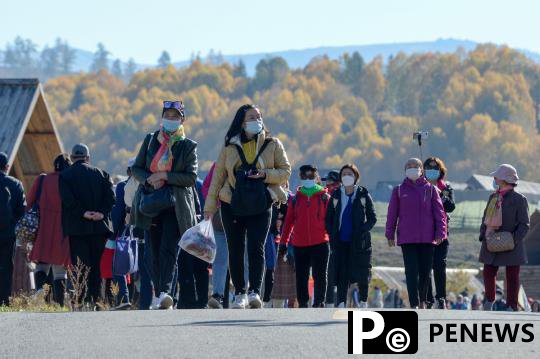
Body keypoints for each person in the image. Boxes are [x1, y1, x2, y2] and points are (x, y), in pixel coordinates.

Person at [204, 104, 291, 309]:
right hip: (231, 203)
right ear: (242, 123)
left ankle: (254, 292)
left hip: (262, 202)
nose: (256, 120)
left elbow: (286, 171)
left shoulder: (273, 144)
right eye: (251, 118)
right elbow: (218, 178)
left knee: (256, 247)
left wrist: (265, 174)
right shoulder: (229, 147)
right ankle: (240, 293)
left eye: (259, 117)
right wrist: (209, 206)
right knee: (235, 248)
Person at [131, 100, 198, 310]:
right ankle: (161, 291)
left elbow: (190, 177)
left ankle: (165, 293)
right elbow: (137, 168)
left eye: (175, 116)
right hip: (151, 203)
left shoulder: (188, 146)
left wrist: (165, 176)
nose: (171, 119)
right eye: (167, 115)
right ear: (162, 118)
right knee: (152, 252)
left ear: (182, 120)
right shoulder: (150, 140)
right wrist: (150, 179)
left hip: (175, 206)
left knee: (168, 250)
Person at [59, 144, 115, 306]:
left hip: (77, 228)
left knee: (81, 265)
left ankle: (81, 300)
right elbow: (111, 199)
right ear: (88, 158)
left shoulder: (65, 176)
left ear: (71, 158)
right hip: (99, 227)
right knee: (97, 265)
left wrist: (83, 212)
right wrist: (101, 213)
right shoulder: (102, 174)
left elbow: (67, 200)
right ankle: (96, 299)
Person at [385, 158, 446, 309]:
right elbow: (392, 214)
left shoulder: (431, 189)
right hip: (407, 238)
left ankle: (423, 300)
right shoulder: (399, 190)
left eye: (415, 166)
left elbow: (439, 213)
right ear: (405, 170)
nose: (412, 168)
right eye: (409, 166)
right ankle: (414, 303)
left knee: (425, 273)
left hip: (427, 238)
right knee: (411, 272)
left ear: (421, 169)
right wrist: (389, 233)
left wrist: (441, 233)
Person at [479, 164, 529, 311]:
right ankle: (489, 300)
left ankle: (512, 305)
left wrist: (513, 240)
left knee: (512, 275)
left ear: (505, 179)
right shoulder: (493, 197)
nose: (494, 179)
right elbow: (485, 218)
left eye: (497, 176)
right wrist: (483, 234)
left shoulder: (519, 199)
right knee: (488, 271)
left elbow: (524, 224)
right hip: (491, 240)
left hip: (511, 243)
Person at [326, 164, 377, 308]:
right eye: (344, 174)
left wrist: (362, 230)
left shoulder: (363, 194)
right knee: (342, 271)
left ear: (356, 177)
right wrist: (331, 233)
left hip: (359, 242)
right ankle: (341, 301)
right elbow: (328, 218)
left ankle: (363, 300)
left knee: (362, 271)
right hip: (341, 241)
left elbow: (372, 218)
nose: (346, 177)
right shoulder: (336, 195)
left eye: (350, 174)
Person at [280, 165, 330, 308]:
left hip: (321, 242)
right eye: (304, 177)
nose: (307, 179)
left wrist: (334, 240)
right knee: (301, 276)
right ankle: (303, 304)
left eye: (310, 177)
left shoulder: (325, 198)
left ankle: (319, 302)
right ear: (300, 178)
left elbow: (331, 222)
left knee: (319, 274)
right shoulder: (296, 199)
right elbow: (288, 223)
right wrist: (283, 243)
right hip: (300, 244)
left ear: (316, 178)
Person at [27, 154, 72, 306]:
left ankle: (41, 290)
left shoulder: (42, 180)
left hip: (43, 229)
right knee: (60, 270)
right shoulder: (69, 182)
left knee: (41, 265)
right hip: (62, 230)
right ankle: (59, 304)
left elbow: (29, 202)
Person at [424, 157, 455, 309]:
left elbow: (451, 207)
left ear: (440, 170)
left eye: (435, 168)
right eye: (428, 168)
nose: (431, 171)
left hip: (441, 232)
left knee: (440, 265)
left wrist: (441, 195)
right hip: (424, 232)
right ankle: (428, 298)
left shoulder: (446, 187)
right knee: (426, 265)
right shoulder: (421, 187)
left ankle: (441, 297)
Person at [0, 152, 26, 306]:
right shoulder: (15, 184)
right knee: (6, 267)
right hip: (8, 234)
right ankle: (4, 301)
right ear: (7, 167)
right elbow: (21, 211)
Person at [322, 170, 340, 306]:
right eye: (327, 183)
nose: (327, 186)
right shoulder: (323, 196)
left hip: (340, 239)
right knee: (327, 272)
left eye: (330, 183)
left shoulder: (342, 197)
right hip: (325, 239)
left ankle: (340, 301)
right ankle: (327, 301)